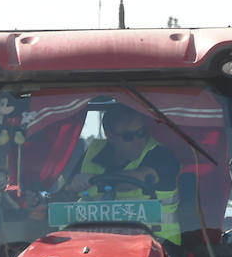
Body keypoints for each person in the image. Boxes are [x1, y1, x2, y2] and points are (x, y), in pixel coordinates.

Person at [63, 104, 182, 244]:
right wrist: (70, 188)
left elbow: (137, 179)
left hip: (159, 247)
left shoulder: (161, 154)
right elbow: (64, 196)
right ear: (109, 135)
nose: (138, 141)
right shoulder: (92, 153)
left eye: (141, 133)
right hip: (98, 244)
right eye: (128, 136)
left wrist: (95, 180)